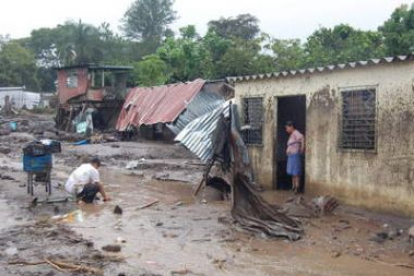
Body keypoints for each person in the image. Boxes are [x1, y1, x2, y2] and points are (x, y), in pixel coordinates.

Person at [285, 121, 305, 194]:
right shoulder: (292, 134)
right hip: (291, 156)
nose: (286, 130)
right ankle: (293, 187)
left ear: (291, 127)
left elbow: (302, 137)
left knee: (296, 172)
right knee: (293, 172)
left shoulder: (296, 133)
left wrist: (302, 148)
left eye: (287, 128)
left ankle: (297, 188)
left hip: (295, 155)